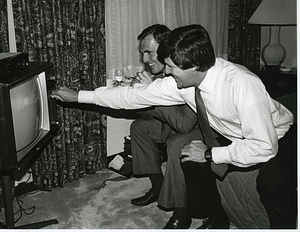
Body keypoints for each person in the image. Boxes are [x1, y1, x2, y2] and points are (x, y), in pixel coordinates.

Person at [51, 24, 296, 229]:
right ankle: (217, 215)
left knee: (272, 182)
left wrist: (211, 153)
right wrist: (79, 96)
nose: (166, 71)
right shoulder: (184, 82)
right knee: (189, 156)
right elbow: (131, 97)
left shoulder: (242, 85)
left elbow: (263, 147)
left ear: (194, 66)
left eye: (171, 67)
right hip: (230, 134)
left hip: (278, 136)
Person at [128, 24, 199, 229]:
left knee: (176, 144)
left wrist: (151, 91)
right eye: (142, 53)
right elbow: (148, 114)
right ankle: (158, 188)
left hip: (199, 128)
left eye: (149, 52)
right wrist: (140, 95)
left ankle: (182, 212)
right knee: (139, 128)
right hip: (173, 125)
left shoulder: (184, 69)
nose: (145, 60)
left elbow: (186, 125)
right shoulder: (159, 73)